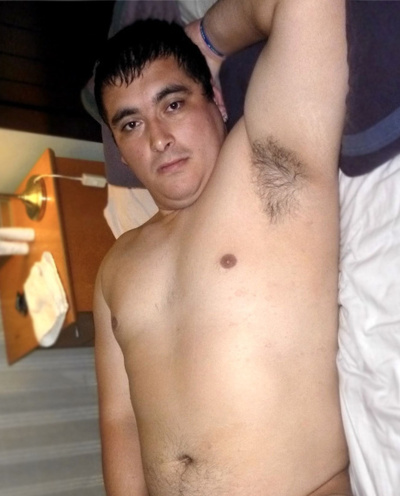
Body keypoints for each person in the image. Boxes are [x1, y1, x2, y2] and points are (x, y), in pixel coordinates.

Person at [93, 0, 350, 494]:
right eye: (131, 124)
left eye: (172, 104)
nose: (158, 139)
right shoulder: (114, 267)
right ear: (120, 151)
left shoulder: (265, 161)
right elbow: (119, 420)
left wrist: (208, 40)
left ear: (215, 97)